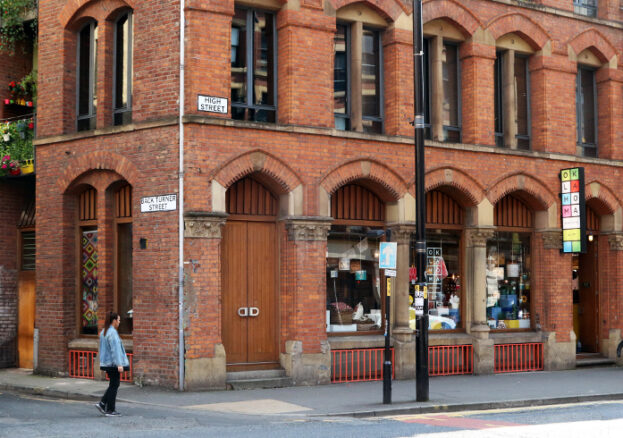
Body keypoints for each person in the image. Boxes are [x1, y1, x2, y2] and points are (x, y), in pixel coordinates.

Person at [95, 311, 129, 417]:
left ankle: (102, 404)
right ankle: (110, 410)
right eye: (118, 320)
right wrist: (119, 364)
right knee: (114, 385)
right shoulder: (112, 333)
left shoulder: (104, 332)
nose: (119, 322)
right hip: (113, 364)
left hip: (106, 363)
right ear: (114, 321)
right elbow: (115, 350)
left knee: (113, 385)